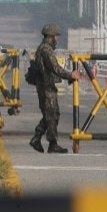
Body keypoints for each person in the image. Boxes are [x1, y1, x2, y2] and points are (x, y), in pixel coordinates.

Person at [29, 24, 79, 154]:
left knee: (51, 114)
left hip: (46, 85)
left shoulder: (43, 49)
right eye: (56, 36)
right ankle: (52, 143)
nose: (57, 39)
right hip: (46, 87)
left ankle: (37, 138)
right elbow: (55, 68)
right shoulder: (46, 50)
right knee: (51, 115)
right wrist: (70, 75)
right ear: (50, 36)